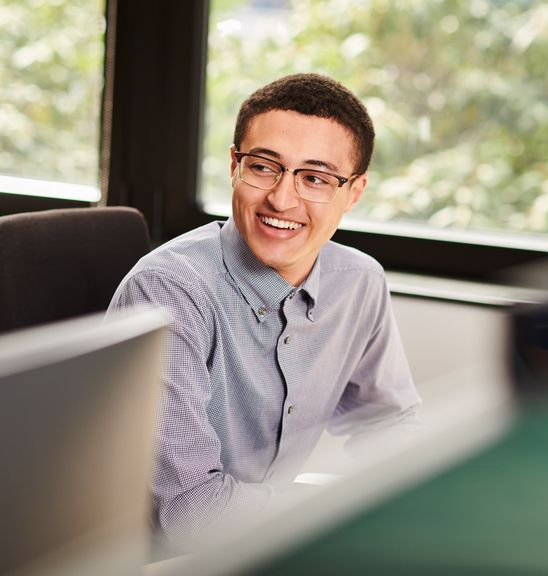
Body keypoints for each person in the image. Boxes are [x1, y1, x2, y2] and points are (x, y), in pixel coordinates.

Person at [107, 72, 421, 546]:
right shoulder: (169, 292)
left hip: (265, 543)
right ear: (235, 165)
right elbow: (190, 510)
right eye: (262, 167)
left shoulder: (358, 282)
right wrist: (337, 519)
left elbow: (387, 422)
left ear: (353, 192)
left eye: (314, 178)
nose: (281, 198)